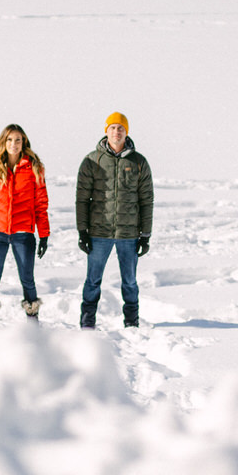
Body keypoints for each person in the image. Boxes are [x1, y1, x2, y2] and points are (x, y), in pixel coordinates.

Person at [75, 112, 153, 329]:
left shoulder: (139, 162)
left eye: (121, 128)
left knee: (130, 282)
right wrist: (82, 231)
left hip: (128, 235)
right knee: (93, 281)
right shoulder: (92, 160)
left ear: (126, 132)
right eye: (112, 128)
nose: (116, 132)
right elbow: (82, 199)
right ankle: (87, 321)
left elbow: (147, 200)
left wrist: (145, 234)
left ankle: (131, 322)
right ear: (106, 131)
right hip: (99, 233)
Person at [0, 124, 50, 329]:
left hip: (23, 233)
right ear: (3, 142)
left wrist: (43, 235)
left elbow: (40, 204)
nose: (14, 144)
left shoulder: (34, 168)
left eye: (18, 140)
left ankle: (33, 325)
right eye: (9, 140)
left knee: (27, 280)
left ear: (23, 142)